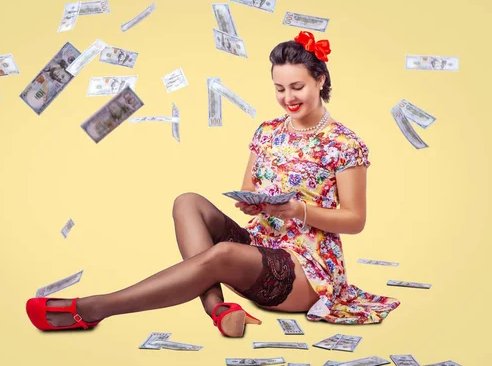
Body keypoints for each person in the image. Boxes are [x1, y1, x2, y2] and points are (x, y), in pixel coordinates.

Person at [25, 30, 400, 335]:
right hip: (259, 249)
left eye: (297, 87)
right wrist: (254, 204)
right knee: (187, 201)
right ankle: (220, 309)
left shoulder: (345, 144)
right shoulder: (267, 131)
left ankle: (94, 308)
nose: (288, 98)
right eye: (280, 88)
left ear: (320, 79)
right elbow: (248, 188)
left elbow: (355, 219)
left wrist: (297, 210)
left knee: (219, 255)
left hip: (306, 270)